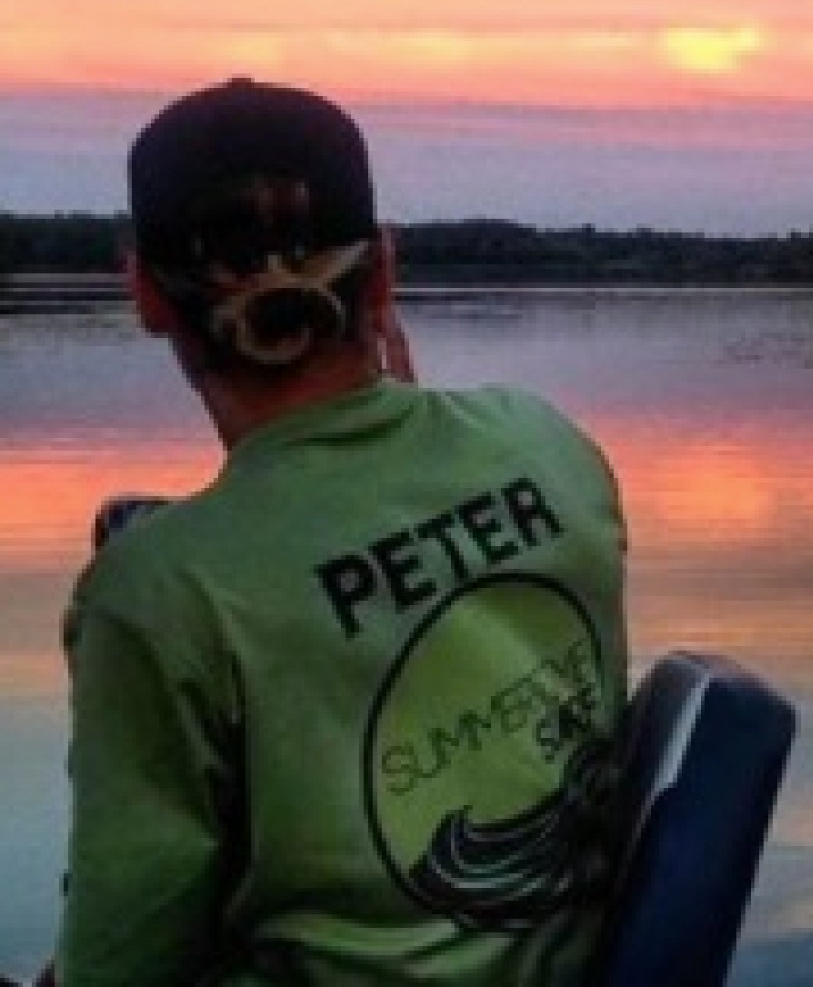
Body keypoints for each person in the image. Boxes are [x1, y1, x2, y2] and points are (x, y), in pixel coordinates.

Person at [49, 79, 629, 986]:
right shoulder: (546, 443)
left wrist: (136, 643)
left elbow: (121, 967)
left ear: (146, 298)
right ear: (386, 271)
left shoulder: (158, 594)